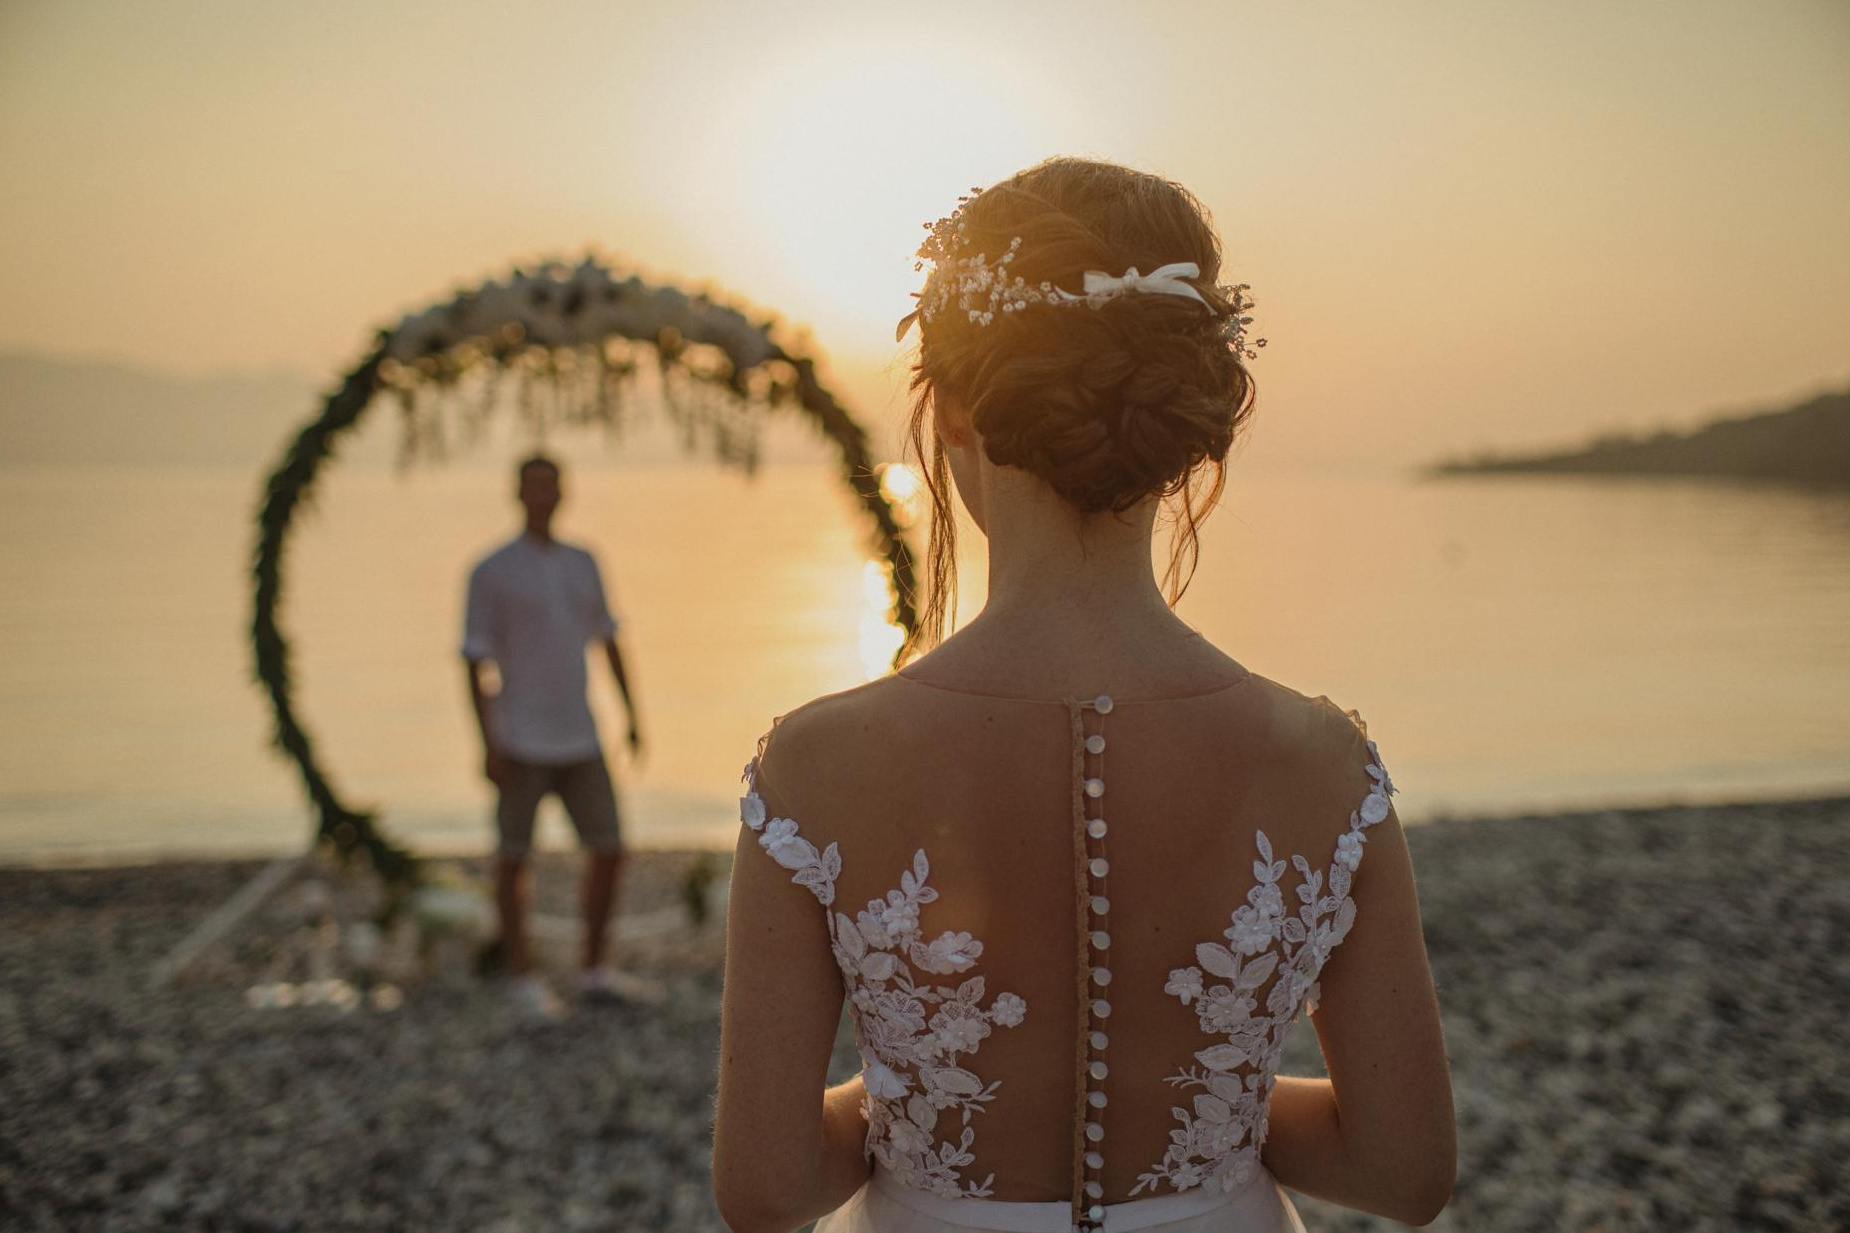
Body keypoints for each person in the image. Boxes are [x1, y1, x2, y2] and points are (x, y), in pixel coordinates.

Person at [712, 159, 1454, 1232]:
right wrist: (1215, 1106)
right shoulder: (1322, 762)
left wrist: (922, 1093)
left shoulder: (817, 766)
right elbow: (1402, 1172)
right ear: (1189, 419)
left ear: (955, 410)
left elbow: (767, 1189)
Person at [462, 454, 643, 1019]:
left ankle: (593, 970)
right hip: (520, 735)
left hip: (580, 735)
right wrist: (488, 741)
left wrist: (633, 713)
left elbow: (607, 638)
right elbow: (475, 661)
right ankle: (521, 977)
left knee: (609, 848)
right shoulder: (491, 571)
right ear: (518, 492)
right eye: (533, 485)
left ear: (562, 492)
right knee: (514, 858)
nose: (543, 494)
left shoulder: (582, 562)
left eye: (551, 485)